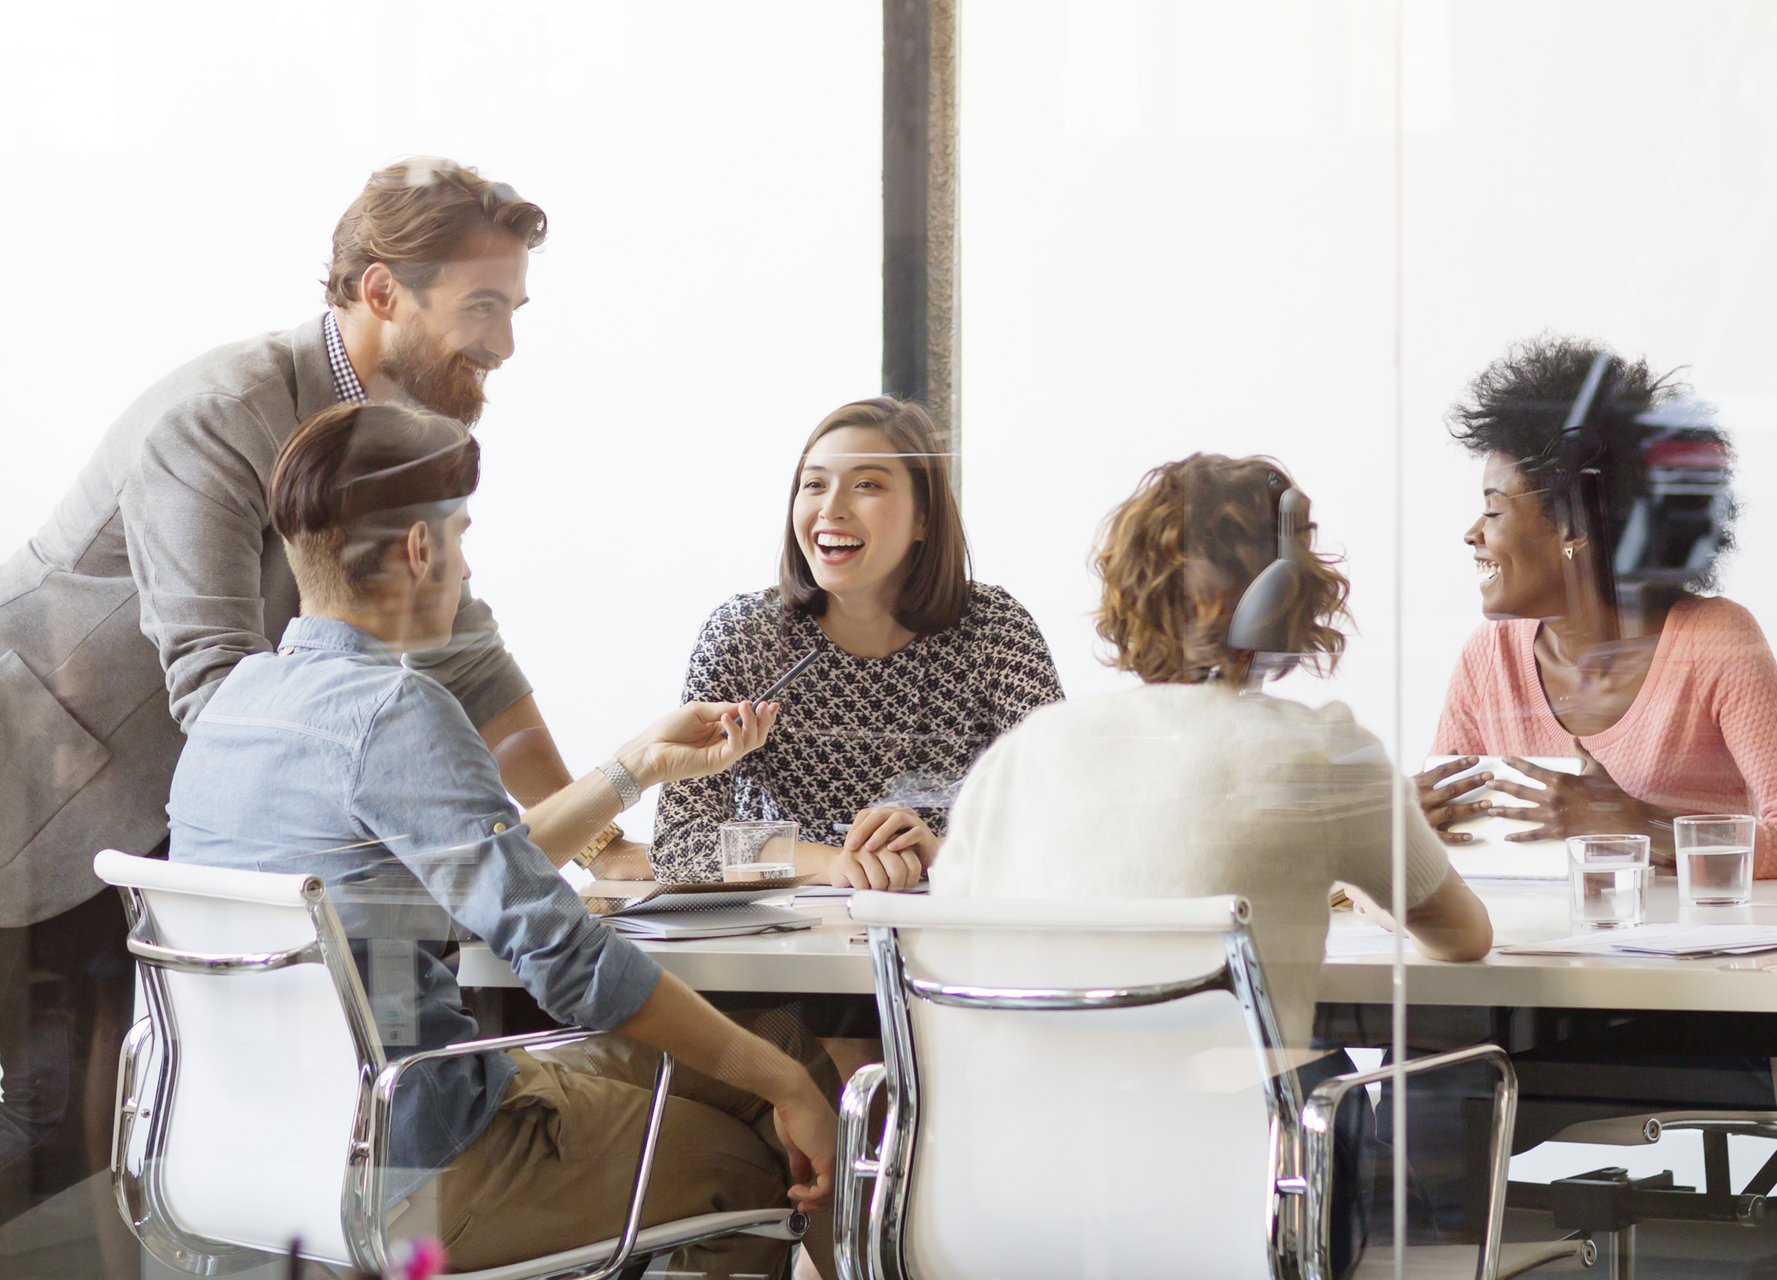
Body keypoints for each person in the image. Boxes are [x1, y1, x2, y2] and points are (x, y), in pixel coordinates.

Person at [0, 158, 649, 1261]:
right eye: (483, 306)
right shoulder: (218, 417)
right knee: (64, 1125)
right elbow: (213, 684)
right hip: (53, 791)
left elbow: (471, 653)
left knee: (152, 1126)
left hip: (179, 810)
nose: (503, 344)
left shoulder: (394, 432)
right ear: (384, 291)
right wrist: (402, 801)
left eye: (513, 308)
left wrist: (612, 840)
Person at [168, 402, 840, 1277]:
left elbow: (483, 873)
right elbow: (566, 957)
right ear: (419, 549)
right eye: (463, 535)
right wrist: (785, 1092)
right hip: (420, 1161)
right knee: (771, 1147)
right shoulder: (395, 711)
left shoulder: (238, 707)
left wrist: (635, 765)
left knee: (775, 1046)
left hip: (252, 1158)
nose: (467, 563)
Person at [931, 453, 1493, 1277]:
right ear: (1286, 598)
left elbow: (953, 951)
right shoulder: (1325, 751)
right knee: (1367, 1089)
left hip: (1012, 1199)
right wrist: (1353, 885)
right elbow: (1462, 937)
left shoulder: (1022, 755)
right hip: (1236, 1207)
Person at [1420, 336, 1777, 879]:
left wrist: (1637, 823)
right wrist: (1409, 829)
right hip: (1541, 954)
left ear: (1572, 524)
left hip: (1695, 955)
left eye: (1494, 512)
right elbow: (1451, 845)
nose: (1472, 534)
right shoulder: (1489, 658)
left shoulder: (1713, 639)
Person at [650, 396, 1064, 890]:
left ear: (923, 520)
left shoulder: (995, 629)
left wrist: (945, 853)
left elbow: (1061, 820)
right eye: (815, 485)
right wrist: (830, 862)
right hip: (778, 941)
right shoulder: (743, 635)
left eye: (866, 485)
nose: (831, 508)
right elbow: (678, 842)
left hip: (951, 932)